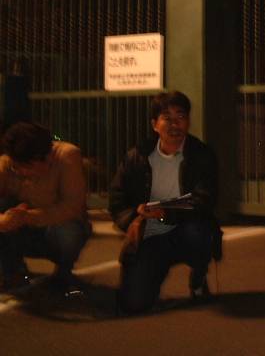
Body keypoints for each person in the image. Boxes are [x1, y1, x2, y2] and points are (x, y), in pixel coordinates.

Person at [109, 91, 222, 314]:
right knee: (133, 304)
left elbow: (204, 199)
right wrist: (133, 219)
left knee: (199, 233)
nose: (174, 124)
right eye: (167, 118)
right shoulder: (137, 156)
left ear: (188, 121)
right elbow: (117, 198)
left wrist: (165, 212)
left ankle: (198, 275)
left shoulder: (201, 155)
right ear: (155, 124)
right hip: (151, 233)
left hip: (187, 228)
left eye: (180, 117)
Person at [0, 122, 90, 295]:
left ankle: (63, 272)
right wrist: (3, 221)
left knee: (69, 233)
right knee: (4, 209)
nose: (21, 172)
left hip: (54, 226)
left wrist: (28, 216)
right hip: (22, 227)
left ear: (46, 158)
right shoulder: (7, 163)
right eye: (17, 166)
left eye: (27, 167)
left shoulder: (66, 156)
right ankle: (13, 272)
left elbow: (72, 207)